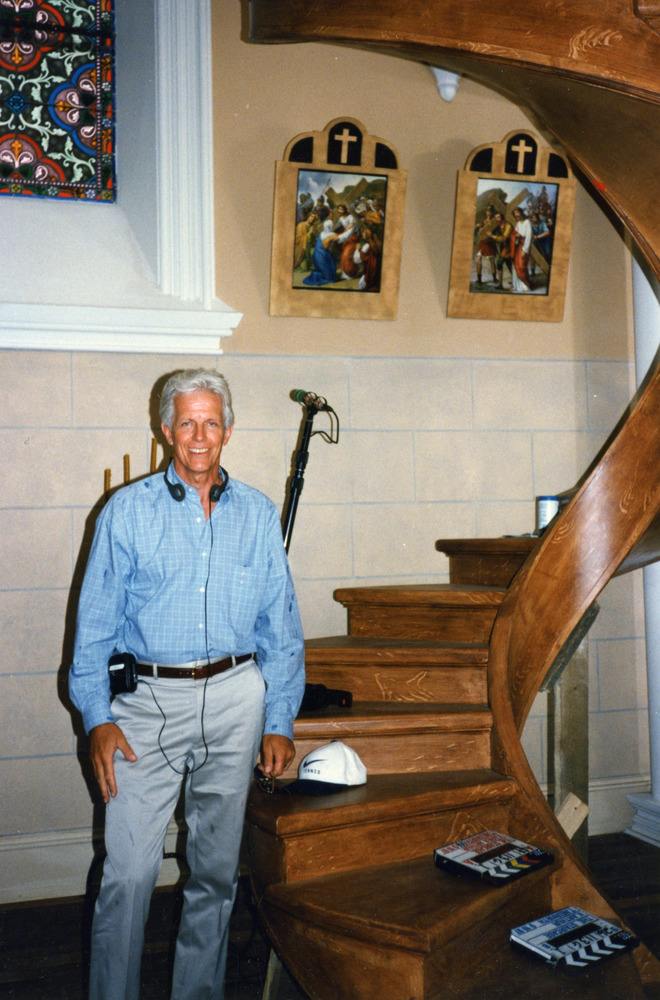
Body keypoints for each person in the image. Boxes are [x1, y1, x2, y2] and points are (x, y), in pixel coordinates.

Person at [69, 369, 305, 1000]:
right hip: (145, 708)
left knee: (216, 874)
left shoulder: (257, 515)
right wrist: (98, 717)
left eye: (210, 422)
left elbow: (279, 626)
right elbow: (91, 630)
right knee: (129, 874)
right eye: (186, 423)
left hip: (235, 703)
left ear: (228, 430)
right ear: (166, 430)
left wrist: (279, 719)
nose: (198, 436)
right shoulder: (127, 512)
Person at [510, 206, 533, 292]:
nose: (517, 215)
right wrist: (515, 237)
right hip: (518, 246)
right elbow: (514, 234)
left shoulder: (527, 222)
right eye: (515, 215)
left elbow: (529, 237)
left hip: (524, 246)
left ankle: (525, 285)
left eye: (518, 213)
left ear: (521, 213)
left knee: (522, 265)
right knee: (516, 265)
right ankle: (519, 286)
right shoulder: (518, 223)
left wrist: (525, 250)